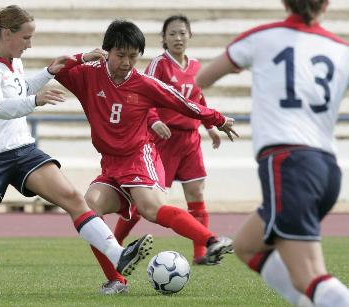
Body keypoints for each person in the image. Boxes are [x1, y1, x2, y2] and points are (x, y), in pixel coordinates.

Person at [0, 6, 153, 297]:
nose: (30, 44)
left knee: (74, 198)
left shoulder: (14, 64)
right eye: (26, 37)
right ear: (7, 34)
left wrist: (56, 68)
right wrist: (35, 100)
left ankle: (118, 255)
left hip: (23, 150)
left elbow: (21, 87)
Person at [54, 20, 237, 295]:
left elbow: (184, 103)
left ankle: (211, 240)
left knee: (150, 209)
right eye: (120, 55)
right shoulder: (89, 75)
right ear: (106, 51)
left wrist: (218, 119)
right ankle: (117, 279)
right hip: (110, 164)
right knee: (89, 208)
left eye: (133, 56)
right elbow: (56, 68)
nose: (127, 63)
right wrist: (83, 57)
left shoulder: (144, 83)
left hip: (140, 157)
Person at [196, 0, 349, 306]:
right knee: (246, 246)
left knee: (311, 276)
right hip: (327, 169)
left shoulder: (262, 37)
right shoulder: (342, 49)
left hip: (289, 164)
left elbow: (202, 79)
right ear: (327, 4)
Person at [113, 15, 222, 266]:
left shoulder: (195, 65)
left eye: (182, 33)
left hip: (190, 140)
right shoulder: (159, 64)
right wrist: (153, 120)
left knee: (196, 192)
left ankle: (201, 254)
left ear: (190, 36)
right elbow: (144, 94)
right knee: (147, 202)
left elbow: (197, 99)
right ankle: (115, 244)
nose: (178, 38)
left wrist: (210, 126)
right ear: (163, 39)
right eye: (172, 33)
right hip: (164, 140)